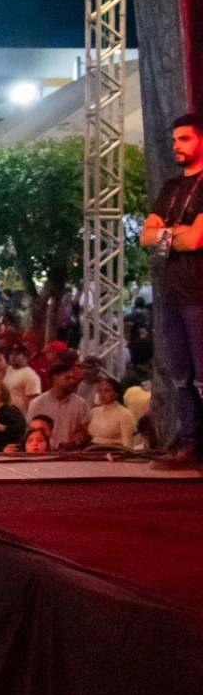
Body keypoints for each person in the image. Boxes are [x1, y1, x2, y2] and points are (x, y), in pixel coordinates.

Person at [142, 114, 203, 466]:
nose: (176, 146)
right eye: (174, 140)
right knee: (181, 375)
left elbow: (195, 240)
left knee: (202, 376)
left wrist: (170, 231)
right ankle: (190, 443)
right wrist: (175, 233)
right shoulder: (171, 188)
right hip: (172, 293)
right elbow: (146, 235)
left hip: (198, 292)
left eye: (184, 139)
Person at [27, 364, 91, 450]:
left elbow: (85, 431)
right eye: (67, 378)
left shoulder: (81, 404)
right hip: (44, 453)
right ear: (55, 379)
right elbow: (30, 431)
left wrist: (76, 439)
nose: (71, 381)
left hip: (70, 454)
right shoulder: (37, 403)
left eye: (72, 378)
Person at [87, 377, 138, 449]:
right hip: (92, 452)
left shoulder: (125, 414)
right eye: (100, 391)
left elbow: (127, 444)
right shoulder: (94, 412)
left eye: (107, 391)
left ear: (116, 393)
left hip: (114, 453)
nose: (102, 394)